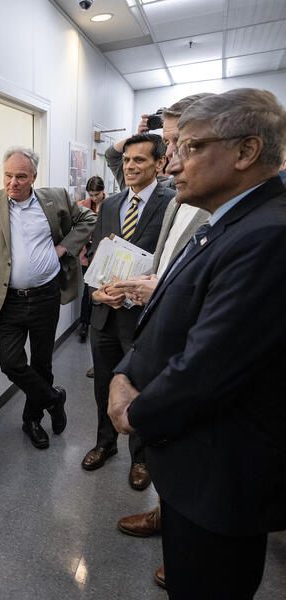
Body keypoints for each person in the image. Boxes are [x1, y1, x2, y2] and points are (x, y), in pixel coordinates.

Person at [108, 88, 286, 600]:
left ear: (245, 151)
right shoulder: (227, 223)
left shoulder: (266, 236)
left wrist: (134, 413)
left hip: (221, 479)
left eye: (188, 147)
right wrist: (124, 371)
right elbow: (170, 310)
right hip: (194, 469)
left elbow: (208, 367)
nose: (172, 164)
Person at [109, 93, 213, 589]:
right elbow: (166, 261)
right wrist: (135, 282)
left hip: (192, 356)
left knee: (191, 446)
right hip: (155, 324)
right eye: (169, 143)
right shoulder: (182, 198)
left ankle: (188, 543)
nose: (170, 157)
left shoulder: (245, 222)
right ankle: (165, 514)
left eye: (178, 144)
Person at [0, 147, 96, 449]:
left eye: (20, 176)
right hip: (7, 300)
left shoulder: (55, 198)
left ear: (33, 177)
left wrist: (63, 248)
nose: (12, 182)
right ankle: (54, 399)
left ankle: (32, 420)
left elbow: (88, 219)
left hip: (45, 296)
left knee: (42, 363)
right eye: (7, 175)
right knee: (11, 362)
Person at [81, 133, 174, 491]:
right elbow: (99, 260)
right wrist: (99, 293)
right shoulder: (109, 204)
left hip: (143, 318)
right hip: (106, 315)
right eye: (128, 161)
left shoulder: (173, 204)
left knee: (139, 387)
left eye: (140, 160)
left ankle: (140, 458)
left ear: (159, 163)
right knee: (104, 384)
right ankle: (105, 443)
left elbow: (171, 262)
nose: (131, 166)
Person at [106, 115, 173, 191]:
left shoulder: (172, 187)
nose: (129, 166)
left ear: (160, 163)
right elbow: (111, 155)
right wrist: (138, 137)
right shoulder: (131, 181)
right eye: (126, 160)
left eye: (139, 160)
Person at [77, 175, 105, 346]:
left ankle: (99, 324)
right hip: (86, 255)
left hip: (103, 255)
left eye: (97, 194)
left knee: (101, 289)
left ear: (103, 191)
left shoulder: (111, 205)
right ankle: (84, 324)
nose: (94, 198)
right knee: (88, 290)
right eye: (91, 195)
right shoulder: (82, 206)